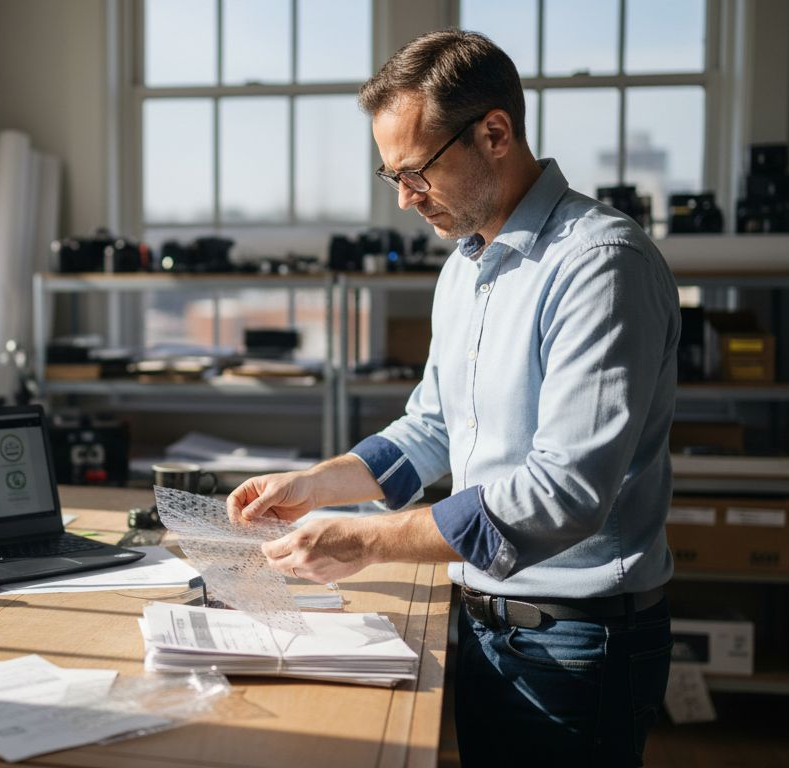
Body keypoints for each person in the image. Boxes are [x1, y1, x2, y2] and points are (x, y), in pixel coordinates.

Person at [226, 29, 678, 767]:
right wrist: (315, 485)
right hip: (487, 627)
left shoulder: (601, 265)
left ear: (495, 132)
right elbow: (431, 427)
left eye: (417, 171)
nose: (406, 199)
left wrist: (367, 540)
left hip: (576, 643)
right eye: (391, 176)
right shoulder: (467, 266)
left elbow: (563, 492)